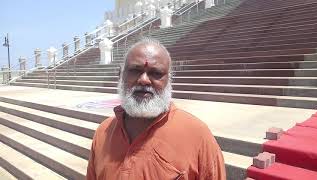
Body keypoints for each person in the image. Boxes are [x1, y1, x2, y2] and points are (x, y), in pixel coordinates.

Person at [86, 38, 226, 180]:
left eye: (156, 73)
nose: (144, 80)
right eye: (135, 70)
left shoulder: (198, 135)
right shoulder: (103, 132)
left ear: (169, 80)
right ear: (120, 75)